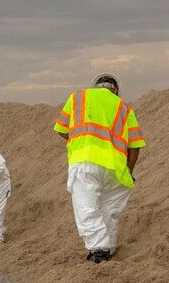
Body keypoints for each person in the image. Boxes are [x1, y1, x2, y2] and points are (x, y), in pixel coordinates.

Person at [53, 73, 146, 263]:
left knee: (87, 207)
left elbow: (62, 130)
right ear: (116, 91)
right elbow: (135, 146)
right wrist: (128, 170)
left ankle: (99, 250)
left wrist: (79, 142)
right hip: (115, 168)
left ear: (95, 86)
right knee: (108, 210)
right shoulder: (124, 108)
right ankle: (109, 247)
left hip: (85, 161)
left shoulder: (78, 97)